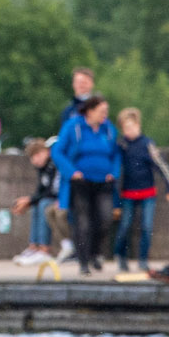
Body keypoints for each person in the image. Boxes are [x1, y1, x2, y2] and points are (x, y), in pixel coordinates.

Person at [52, 95, 120, 276]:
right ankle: (83, 262)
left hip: (103, 183)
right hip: (80, 182)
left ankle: (95, 252)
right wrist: (71, 171)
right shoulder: (73, 126)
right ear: (90, 112)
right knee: (82, 223)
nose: (105, 114)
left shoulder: (108, 129)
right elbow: (57, 151)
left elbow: (116, 154)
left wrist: (113, 173)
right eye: (102, 111)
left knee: (105, 219)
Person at [108, 107, 169, 275]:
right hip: (128, 193)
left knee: (146, 226)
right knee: (125, 226)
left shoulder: (147, 143)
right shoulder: (121, 145)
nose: (130, 131)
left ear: (138, 125)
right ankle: (121, 256)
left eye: (132, 127)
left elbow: (161, 166)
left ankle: (143, 259)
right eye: (126, 128)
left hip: (147, 192)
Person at [9, 139, 65, 268]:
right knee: (36, 205)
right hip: (51, 197)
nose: (36, 160)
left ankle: (44, 249)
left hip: (59, 198)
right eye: (33, 157)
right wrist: (30, 201)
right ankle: (34, 247)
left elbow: (53, 190)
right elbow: (41, 190)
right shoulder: (42, 168)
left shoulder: (53, 164)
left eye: (39, 155)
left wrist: (30, 200)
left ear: (46, 152)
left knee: (43, 204)